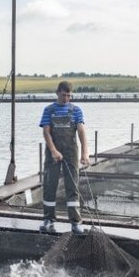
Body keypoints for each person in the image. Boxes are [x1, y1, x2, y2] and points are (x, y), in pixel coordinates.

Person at [39, 81, 89, 234]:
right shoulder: (49, 110)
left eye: (69, 95)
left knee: (72, 186)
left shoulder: (76, 110)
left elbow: (81, 132)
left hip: (71, 152)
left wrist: (85, 153)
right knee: (49, 184)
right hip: (52, 153)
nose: (66, 98)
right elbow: (46, 133)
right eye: (63, 95)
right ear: (57, 93)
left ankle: (75, 222)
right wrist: (54, 151)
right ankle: (48, 219)